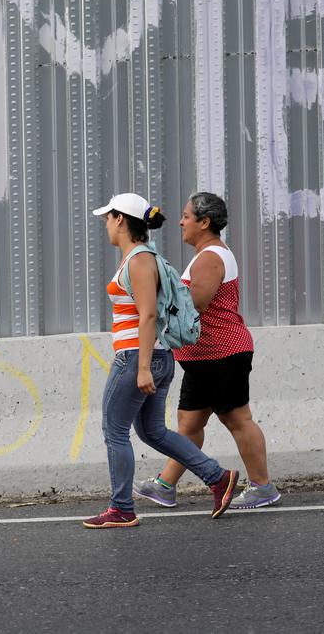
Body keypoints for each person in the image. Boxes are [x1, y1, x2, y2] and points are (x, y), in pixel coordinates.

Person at [82, 192, 240, 529]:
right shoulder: (141, 257)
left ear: (121, 220)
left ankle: (121, 508)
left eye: (108, 218)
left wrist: (140, 367)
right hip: (154, 357)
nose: (106, 225)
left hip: (138, 358)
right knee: (152, 431)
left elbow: (149, 314)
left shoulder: (139, 260)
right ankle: (217, 478)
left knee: (114, 431)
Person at [133, 192, 280, 510]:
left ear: (204, 221)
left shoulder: (211, 256)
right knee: (189, 423)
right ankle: (165, 485)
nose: (182, 222)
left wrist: (155, 294)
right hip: (204, 357)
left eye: (187, 216)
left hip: (222, 354)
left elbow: (194, 304)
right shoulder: (205, 254)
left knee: (237, 418)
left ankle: (262, 487)